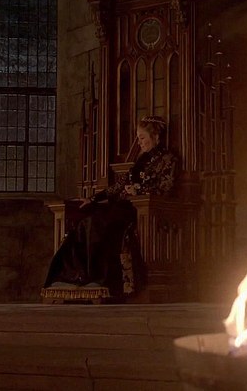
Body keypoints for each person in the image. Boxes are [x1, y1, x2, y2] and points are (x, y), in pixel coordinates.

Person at [44, 115, 178, 297]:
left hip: (138, 208)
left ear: (156, 137)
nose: (139, 142)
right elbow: (117, 186)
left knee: (98, 223)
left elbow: (166, 187)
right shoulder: (140, 160)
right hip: (121, 205)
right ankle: (75, 276)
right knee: (85, 222)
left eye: (142, 138)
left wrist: (139, 190)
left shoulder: (168, 158)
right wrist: (93, 199)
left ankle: (97, 277)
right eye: (138, 138)